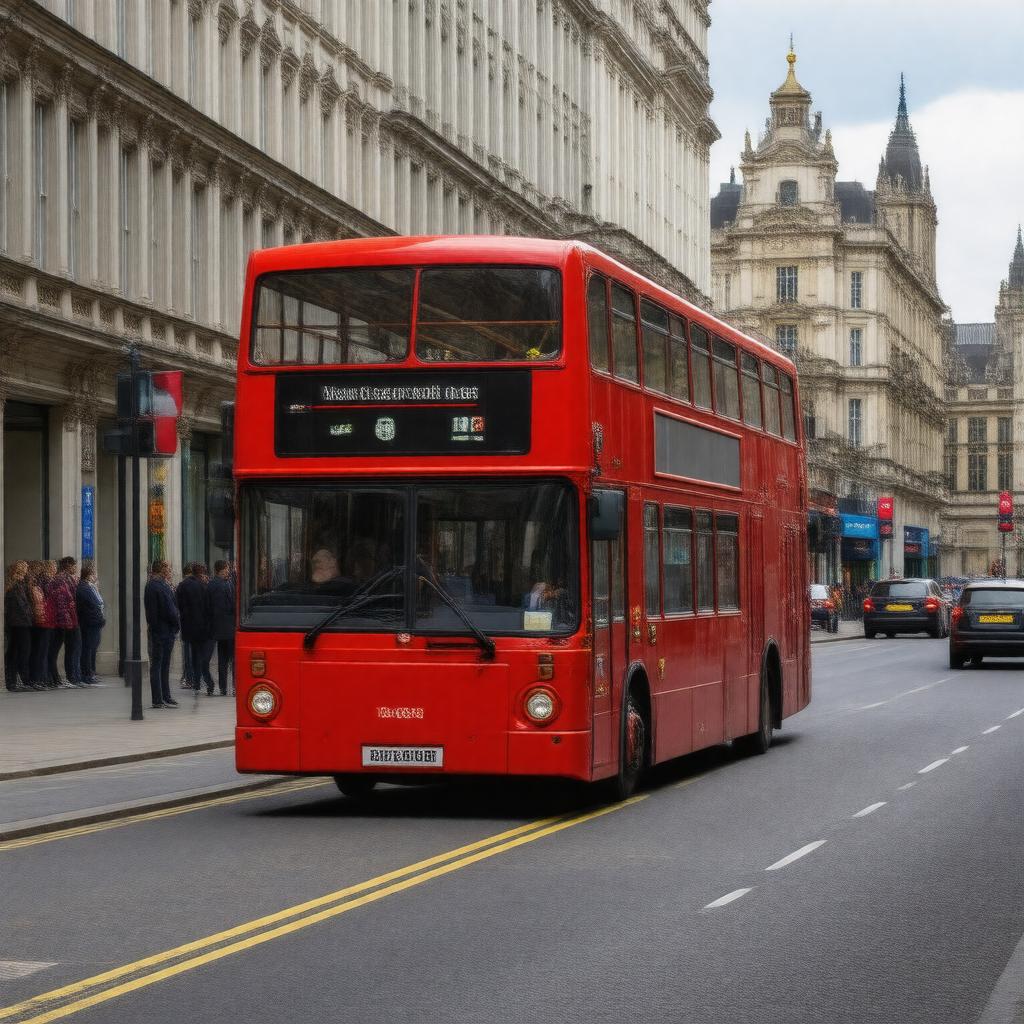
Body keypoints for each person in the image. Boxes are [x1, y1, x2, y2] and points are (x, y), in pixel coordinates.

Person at [144, 558, 180, 708]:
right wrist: (176, 623)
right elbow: (169, 609)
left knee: (164, 665)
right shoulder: (156, 586)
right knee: (158, 665)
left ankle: (165, 696)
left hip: (163, 630)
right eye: (168, 569)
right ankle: (158, 698)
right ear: (162, 570)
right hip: (161, 631)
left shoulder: (159, 585)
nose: (170, 571)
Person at [177, 563, 215, 696]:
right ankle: (208, 683)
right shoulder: (204, 587)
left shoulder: (182, 586)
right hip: (204, 627)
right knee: (204, 658)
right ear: (202, 573)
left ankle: (196, 683)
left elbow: (179, 605)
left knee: (194, 655)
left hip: (189, 627)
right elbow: (209, 607)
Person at [49, 557, 83, 688]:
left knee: (73, 648)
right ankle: (64, 677)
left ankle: (73, 677)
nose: (75, 568)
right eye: (74, 565)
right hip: (64, 621)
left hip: (71, 619)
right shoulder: (61, 579)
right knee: (61, 649)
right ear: (68, 565)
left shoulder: (70, 579)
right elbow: (62, 602)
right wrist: (66, 621)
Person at [207, 560, 235, 696]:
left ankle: (223, 687)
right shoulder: (227, 585)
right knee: (233, 660)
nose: (228, 571)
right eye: (227, 568)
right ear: (222, 569)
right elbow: (232, 605)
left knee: (222, 659)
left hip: (217, 628)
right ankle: (235, 686)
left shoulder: (211, 584)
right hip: (229, 627)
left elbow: (208, 606)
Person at [5, 561, 34, 692]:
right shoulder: (15, 586)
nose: (27, 570)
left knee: (17, 651)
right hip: (19, 623)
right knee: (21, 651)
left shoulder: (19, 584)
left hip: (19, 623)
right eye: (25, 568)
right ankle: (20, 680)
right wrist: (30, 615)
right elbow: (22, 606)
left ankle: (17, 679)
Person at [76, 561, 105, 685]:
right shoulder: (84, 587)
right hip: (89, 623)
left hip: (95, 622)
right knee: (88, 648)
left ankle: (91, 672)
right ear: (88, 575)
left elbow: (100, 602)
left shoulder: (91, 587)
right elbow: (95, 604)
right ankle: (86, 673)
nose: (95, 576)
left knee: (92, 648)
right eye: (93, 574)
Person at [27, 561, 52, 689]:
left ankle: (41, 678)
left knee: (41, 651)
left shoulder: (38, 586)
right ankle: (36, 679)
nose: (37, 573)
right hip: (37, 622)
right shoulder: (32, 587)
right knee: (38, 651)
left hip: (43, 620)